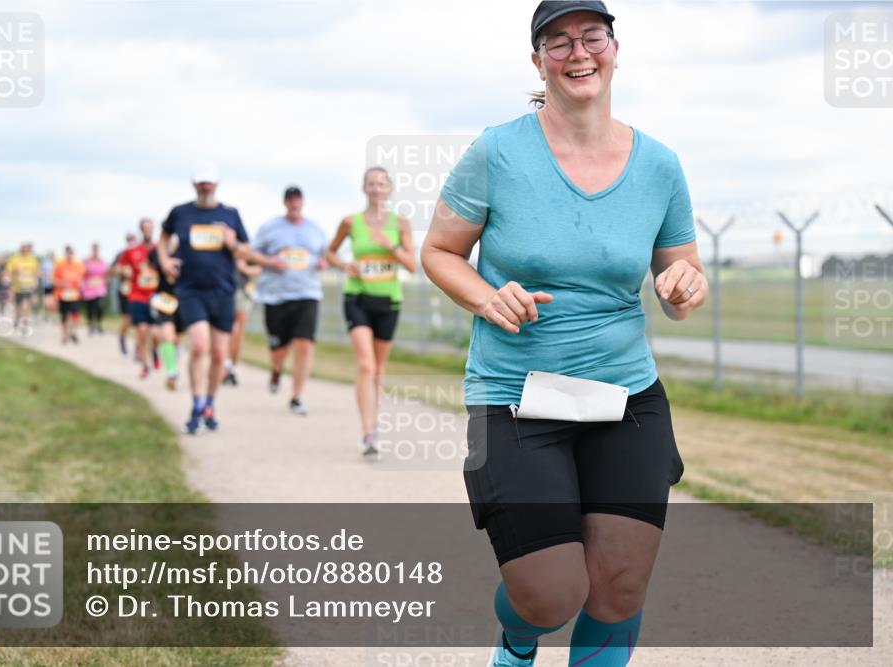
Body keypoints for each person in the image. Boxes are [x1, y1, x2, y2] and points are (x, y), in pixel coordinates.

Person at [420, 3, 707, 665]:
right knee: (551, 593)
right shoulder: (498, 151)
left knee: (619, 587)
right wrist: (489, 296)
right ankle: (518, 641)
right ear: (537, 60)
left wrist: (685, 285)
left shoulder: (659, 165)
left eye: (592, 37)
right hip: (517, 398)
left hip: (625, 397)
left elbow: (682, 272)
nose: (578, 53)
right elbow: (438, 252)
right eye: (559, 42)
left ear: (614, 47)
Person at [325, 167, 416, 457]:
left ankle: (374, 427)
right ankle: (367, 432)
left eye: (381, 184)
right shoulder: (350, 222)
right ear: (364, 188)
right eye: (371, 184)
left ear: (389, 189)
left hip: (388, 300)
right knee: (366, 365)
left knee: (379, 368)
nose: (376, 188)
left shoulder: (400, 223)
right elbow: (329, 253)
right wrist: (343, 265)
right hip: (357, 297)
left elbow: (412, 265)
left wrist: (390, 245)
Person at [156, 162, 251, 435]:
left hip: (222, 291)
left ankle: (210, 402)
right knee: (199, 345)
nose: (205, 187)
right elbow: (163, 238)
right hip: (191, 290)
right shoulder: (180, 212)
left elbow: (245, 249)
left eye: (209, 183)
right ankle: (196, 403)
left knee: (220, 353)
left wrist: (233, 244)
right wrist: (165, 260)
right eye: (201, 183)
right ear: (194, 184)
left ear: (216, 185)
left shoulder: (230, 214)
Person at [248, 186, 328, 415]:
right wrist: (270, 261)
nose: (294, 206)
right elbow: (252, 254)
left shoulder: (315, 230)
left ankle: (296, 396)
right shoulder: (270, 228)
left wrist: (325, 263)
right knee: (278, 348)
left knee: (304, 344)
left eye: (298, 202)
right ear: (285, 203)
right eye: (290, 202)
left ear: (302, 203)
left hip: (307, 293)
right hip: (275, 296)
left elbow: (327, 255)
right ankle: (275, 369)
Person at [119, 219, 159, 378]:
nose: (148, 230)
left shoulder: (159, 249)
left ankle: (155, 351)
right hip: (137, 296)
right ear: (141, 230)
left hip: (156, 297)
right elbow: (121, 266)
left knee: (156, 334)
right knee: (141, 331)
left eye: (150, 227)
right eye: (145, 228)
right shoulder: (132, 251)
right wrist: (125, 271)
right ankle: (144, 365)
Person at [148, 240, 184, 390]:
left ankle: (171, 363)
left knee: (176, 339)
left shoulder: (185, 250)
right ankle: (172, 373)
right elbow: (151, 265)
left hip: (182, 300)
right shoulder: (157, 252)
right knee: (166, 336)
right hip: (164, 300)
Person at [223, 258, 261, 386]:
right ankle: (226, 366)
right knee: (230, 330)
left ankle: (231, 368)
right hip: (226, 289)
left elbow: (260, 268)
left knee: (237, 330)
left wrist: (244, 268)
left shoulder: (252, 244)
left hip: (244, 291)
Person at [110, 232, 137, 355]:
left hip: (139, 290)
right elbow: (112, 270)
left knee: (141, 322)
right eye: (129, 239)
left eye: (133, 239)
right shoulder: (121, 254)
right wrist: (122, 270)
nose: (131, 241)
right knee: (127, 319)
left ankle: (139, 349)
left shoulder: (141, 252)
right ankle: (122, 337)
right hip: (125, 290)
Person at [52, 245, 85, 344]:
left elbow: (83, 278)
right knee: (64, 316)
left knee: (75, 314)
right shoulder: (60, 265)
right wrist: (62, 283)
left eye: (71, 253)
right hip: (63, 294)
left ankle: (74, 333)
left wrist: (81, 284)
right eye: (68, 253)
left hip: (75, 294)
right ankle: (65, 335)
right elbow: (53, 279)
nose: (69, 255)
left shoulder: (78, 265)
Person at [4, 243, 40, 333]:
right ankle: (17, 318)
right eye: (23, 250)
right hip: (17, 287)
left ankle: (25, 325)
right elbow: (8, 272)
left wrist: (37, 277)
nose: (25, 251)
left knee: (26, 306)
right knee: (19, 306)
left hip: (29, 287)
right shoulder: (14, 259)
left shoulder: (33, 259)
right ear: (20, 250)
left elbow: (37, 272)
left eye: (27, 250)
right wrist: (15, 272)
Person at [82, 242, 109, 335]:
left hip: (99, 287)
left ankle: (98, 323)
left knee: (99, 306)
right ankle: (90, 325)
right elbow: (82, 272)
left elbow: (106, 274)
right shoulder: (86, 261)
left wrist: (104, 281)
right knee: (90, 307)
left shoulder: (102, 261)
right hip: (89, 287)